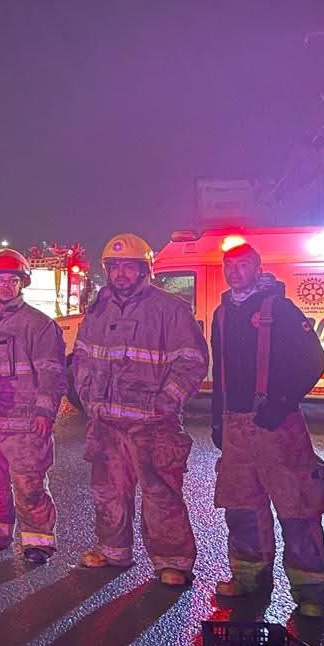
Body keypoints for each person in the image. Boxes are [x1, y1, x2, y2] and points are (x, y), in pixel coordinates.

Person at [72, 233, 208, 586]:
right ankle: (113, 550)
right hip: (106, 422)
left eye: (129, 267)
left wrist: (166, 402)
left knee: (161, 493)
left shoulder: (170, 309)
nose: (121, 274)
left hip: (152, 424)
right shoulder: (99, 308)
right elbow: (82, 356)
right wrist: (88, 397)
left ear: (145, 270)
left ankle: (173, 562)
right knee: (108, 490)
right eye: (114, 267)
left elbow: (192, 361)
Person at [210, 242, 324, 618]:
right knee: (241, 508)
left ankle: (310, 594)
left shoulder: (280, 308)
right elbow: (220, 373)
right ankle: (249, 580)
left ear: (257, 267)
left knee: (297, 508)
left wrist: (280, 403)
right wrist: (217, 420)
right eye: (229, 265)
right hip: (236, 425)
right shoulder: (222, 313)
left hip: (279, 424)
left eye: (242, 264)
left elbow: (314, 360)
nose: (234, 272)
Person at [0, 248, 67, 564]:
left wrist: (45, 412)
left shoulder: (39, 324)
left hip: (25, 422)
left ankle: (38, 541)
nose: (6, 286)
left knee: (29, 483)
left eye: (13, 280)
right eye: (0, 280)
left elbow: (52, 372)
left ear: (22, 283)